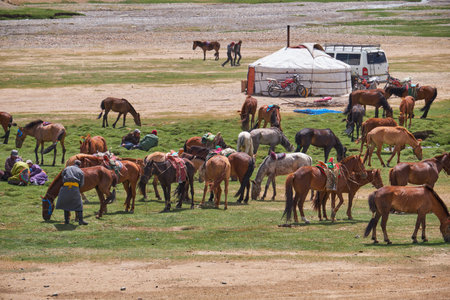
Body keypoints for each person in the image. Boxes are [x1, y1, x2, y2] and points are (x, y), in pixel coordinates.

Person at [55, 160, 87, 225]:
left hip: (66, 186)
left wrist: (65, 181)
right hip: (75, 187)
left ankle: (67, 220)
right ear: (79, 165)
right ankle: (80, 220)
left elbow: (62, 174)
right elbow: (82, 183)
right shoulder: (81, 171)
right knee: (79, 204)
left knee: (66, 203)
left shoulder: (67, 168)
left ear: (74, 163)